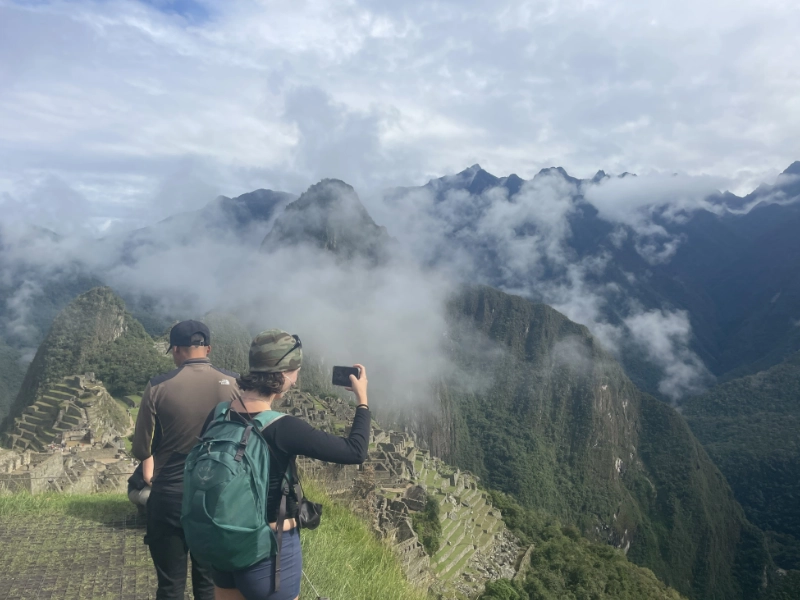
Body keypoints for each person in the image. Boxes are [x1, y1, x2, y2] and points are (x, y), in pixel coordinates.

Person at [203, 329, 370, 600]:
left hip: (224, 541)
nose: (295, 380)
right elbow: (355, 451)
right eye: (295, 373)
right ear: (281, 376)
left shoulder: (220, 413)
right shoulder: (283, 428)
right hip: (268, 549)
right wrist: (362, 400)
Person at [133, 319, 241, 600]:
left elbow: (141, 447)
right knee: (208, 583)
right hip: (216, 495)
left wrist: (150, 468)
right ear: (208, 348)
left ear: (176, 350)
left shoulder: (158, 386)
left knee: (170, 586)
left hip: (170, 494)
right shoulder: (233, 383)